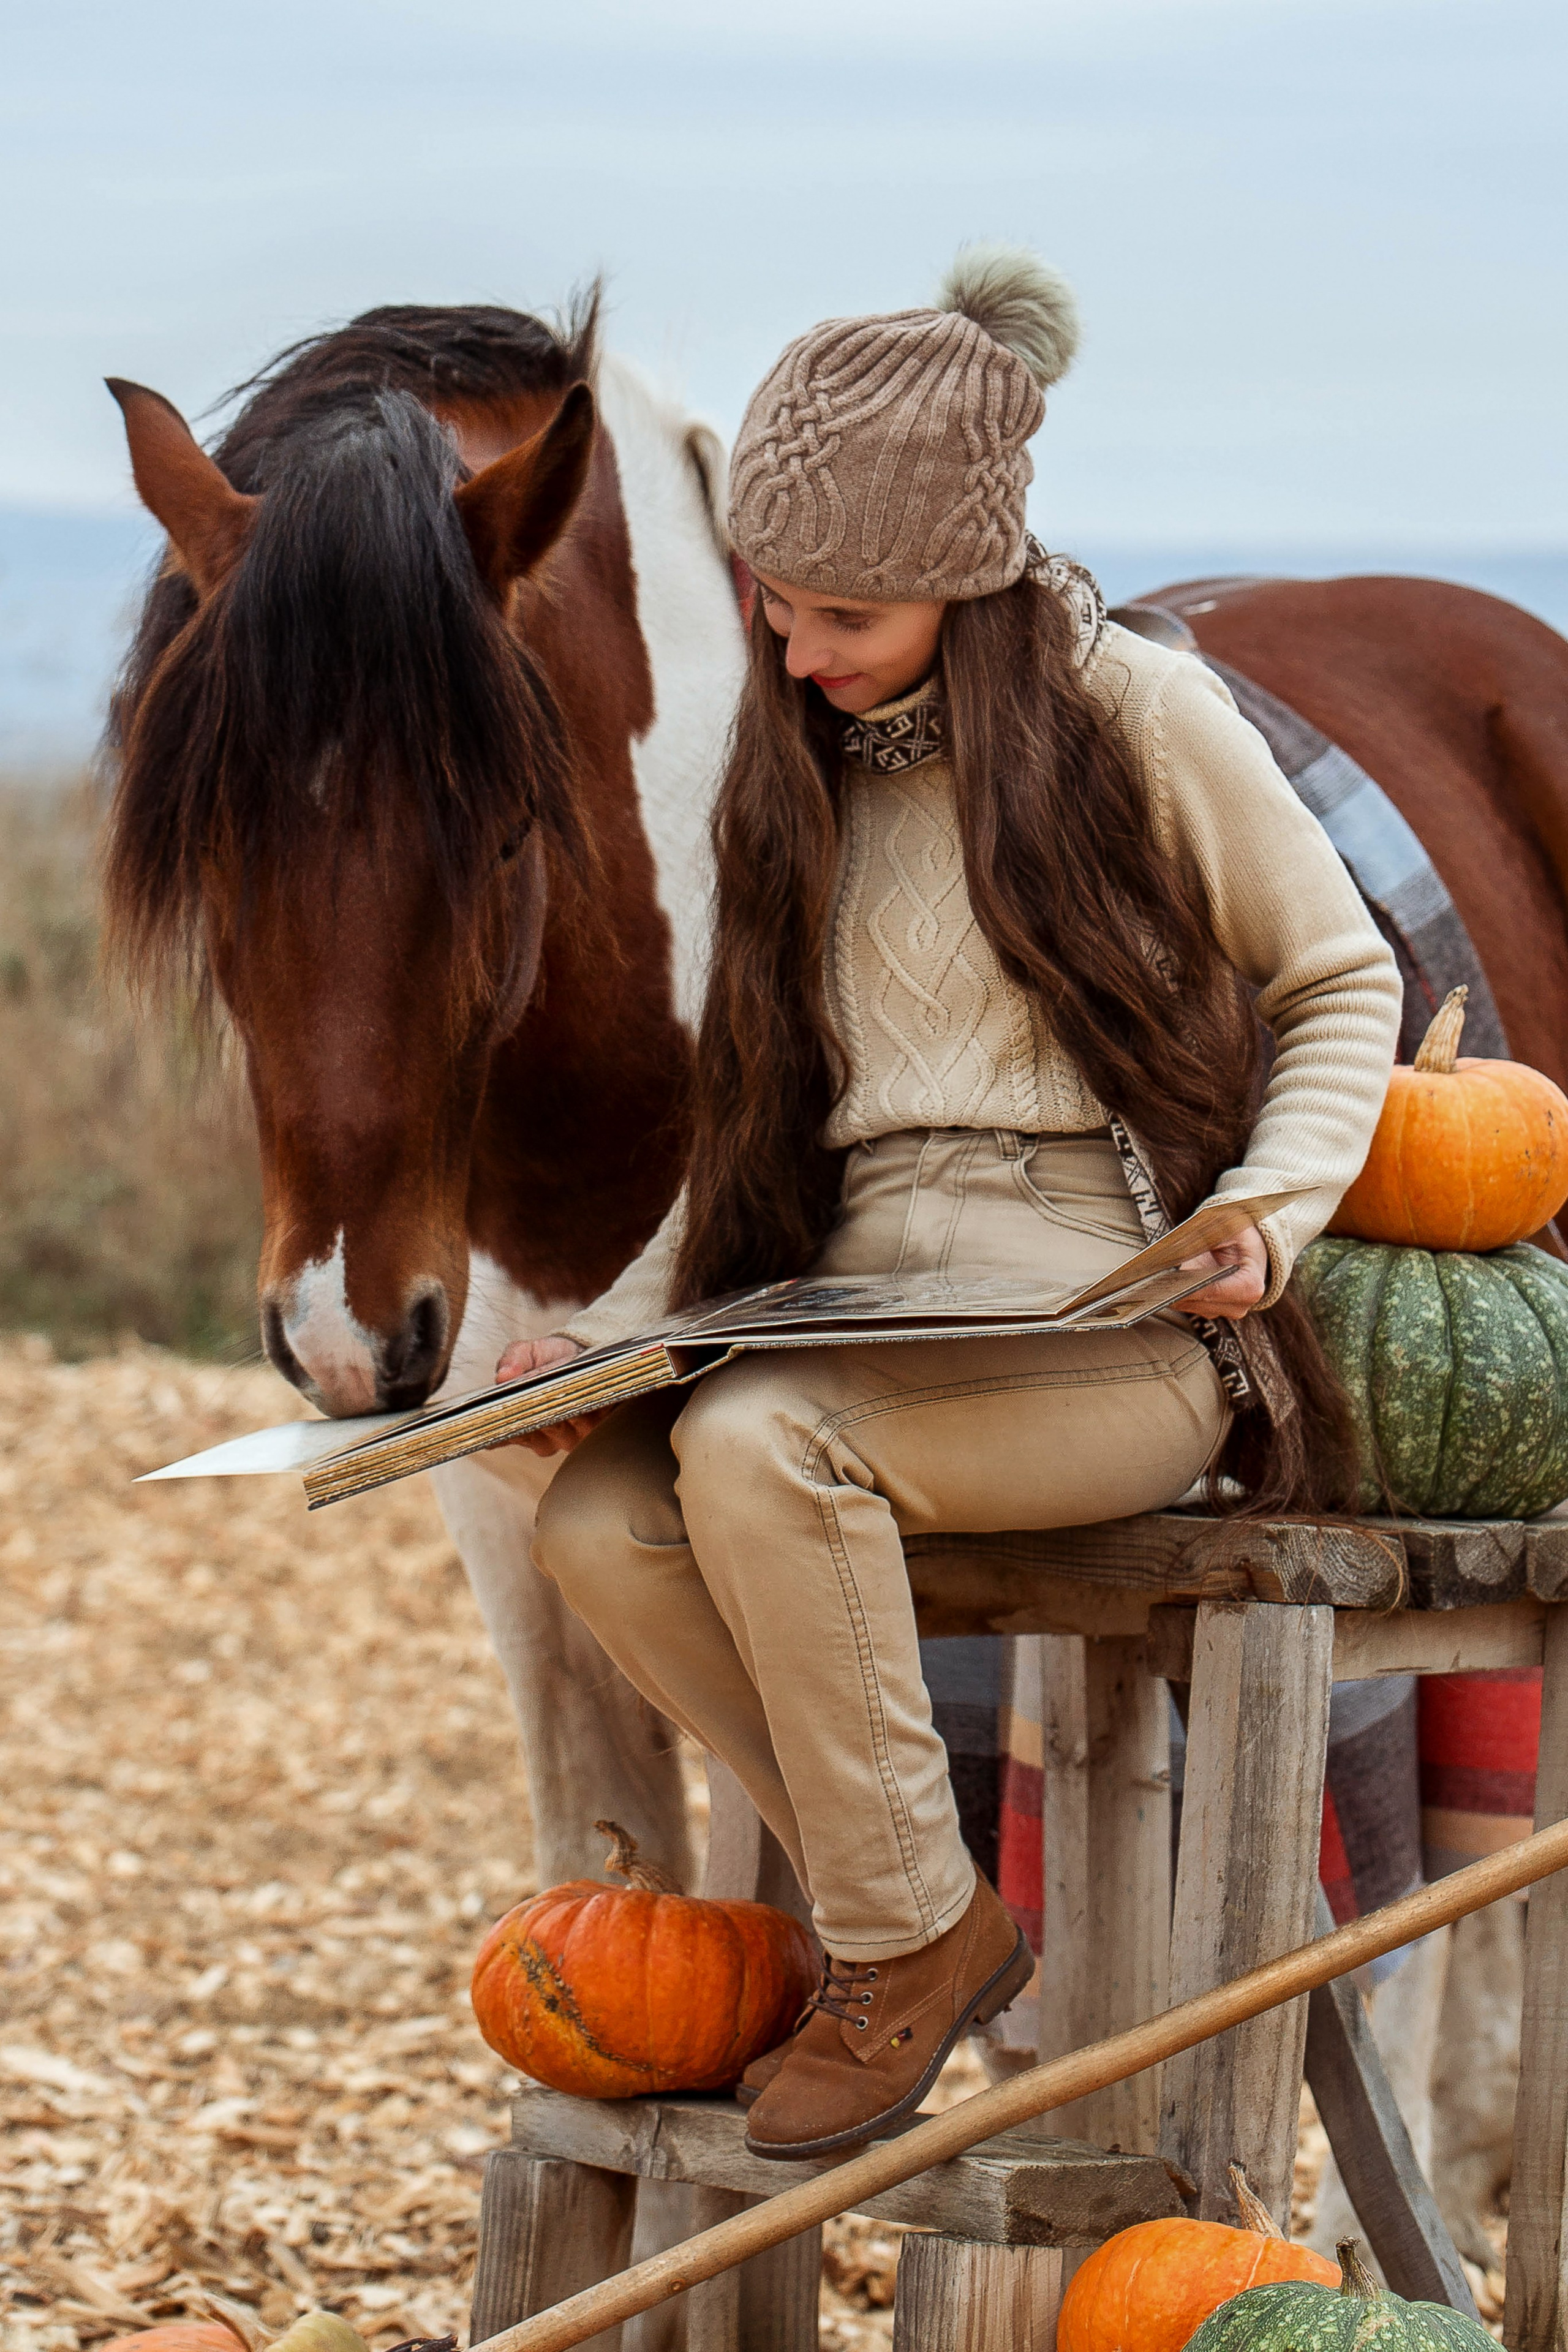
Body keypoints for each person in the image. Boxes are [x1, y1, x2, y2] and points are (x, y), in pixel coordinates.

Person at [498, 246, 1403, 2159]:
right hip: (854, 1303)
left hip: (1118, 1322)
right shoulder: (790, 762)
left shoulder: (1139, 714)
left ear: (968, 581)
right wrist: (618, 1344)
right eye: (774, 603)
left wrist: (1273, 1210)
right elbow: (755, 1121)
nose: (797, 651)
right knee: (597, 1510)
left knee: (764, 1450)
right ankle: (919, 1910)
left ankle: (897, 1948)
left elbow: (1342, 981)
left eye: (845, 614)